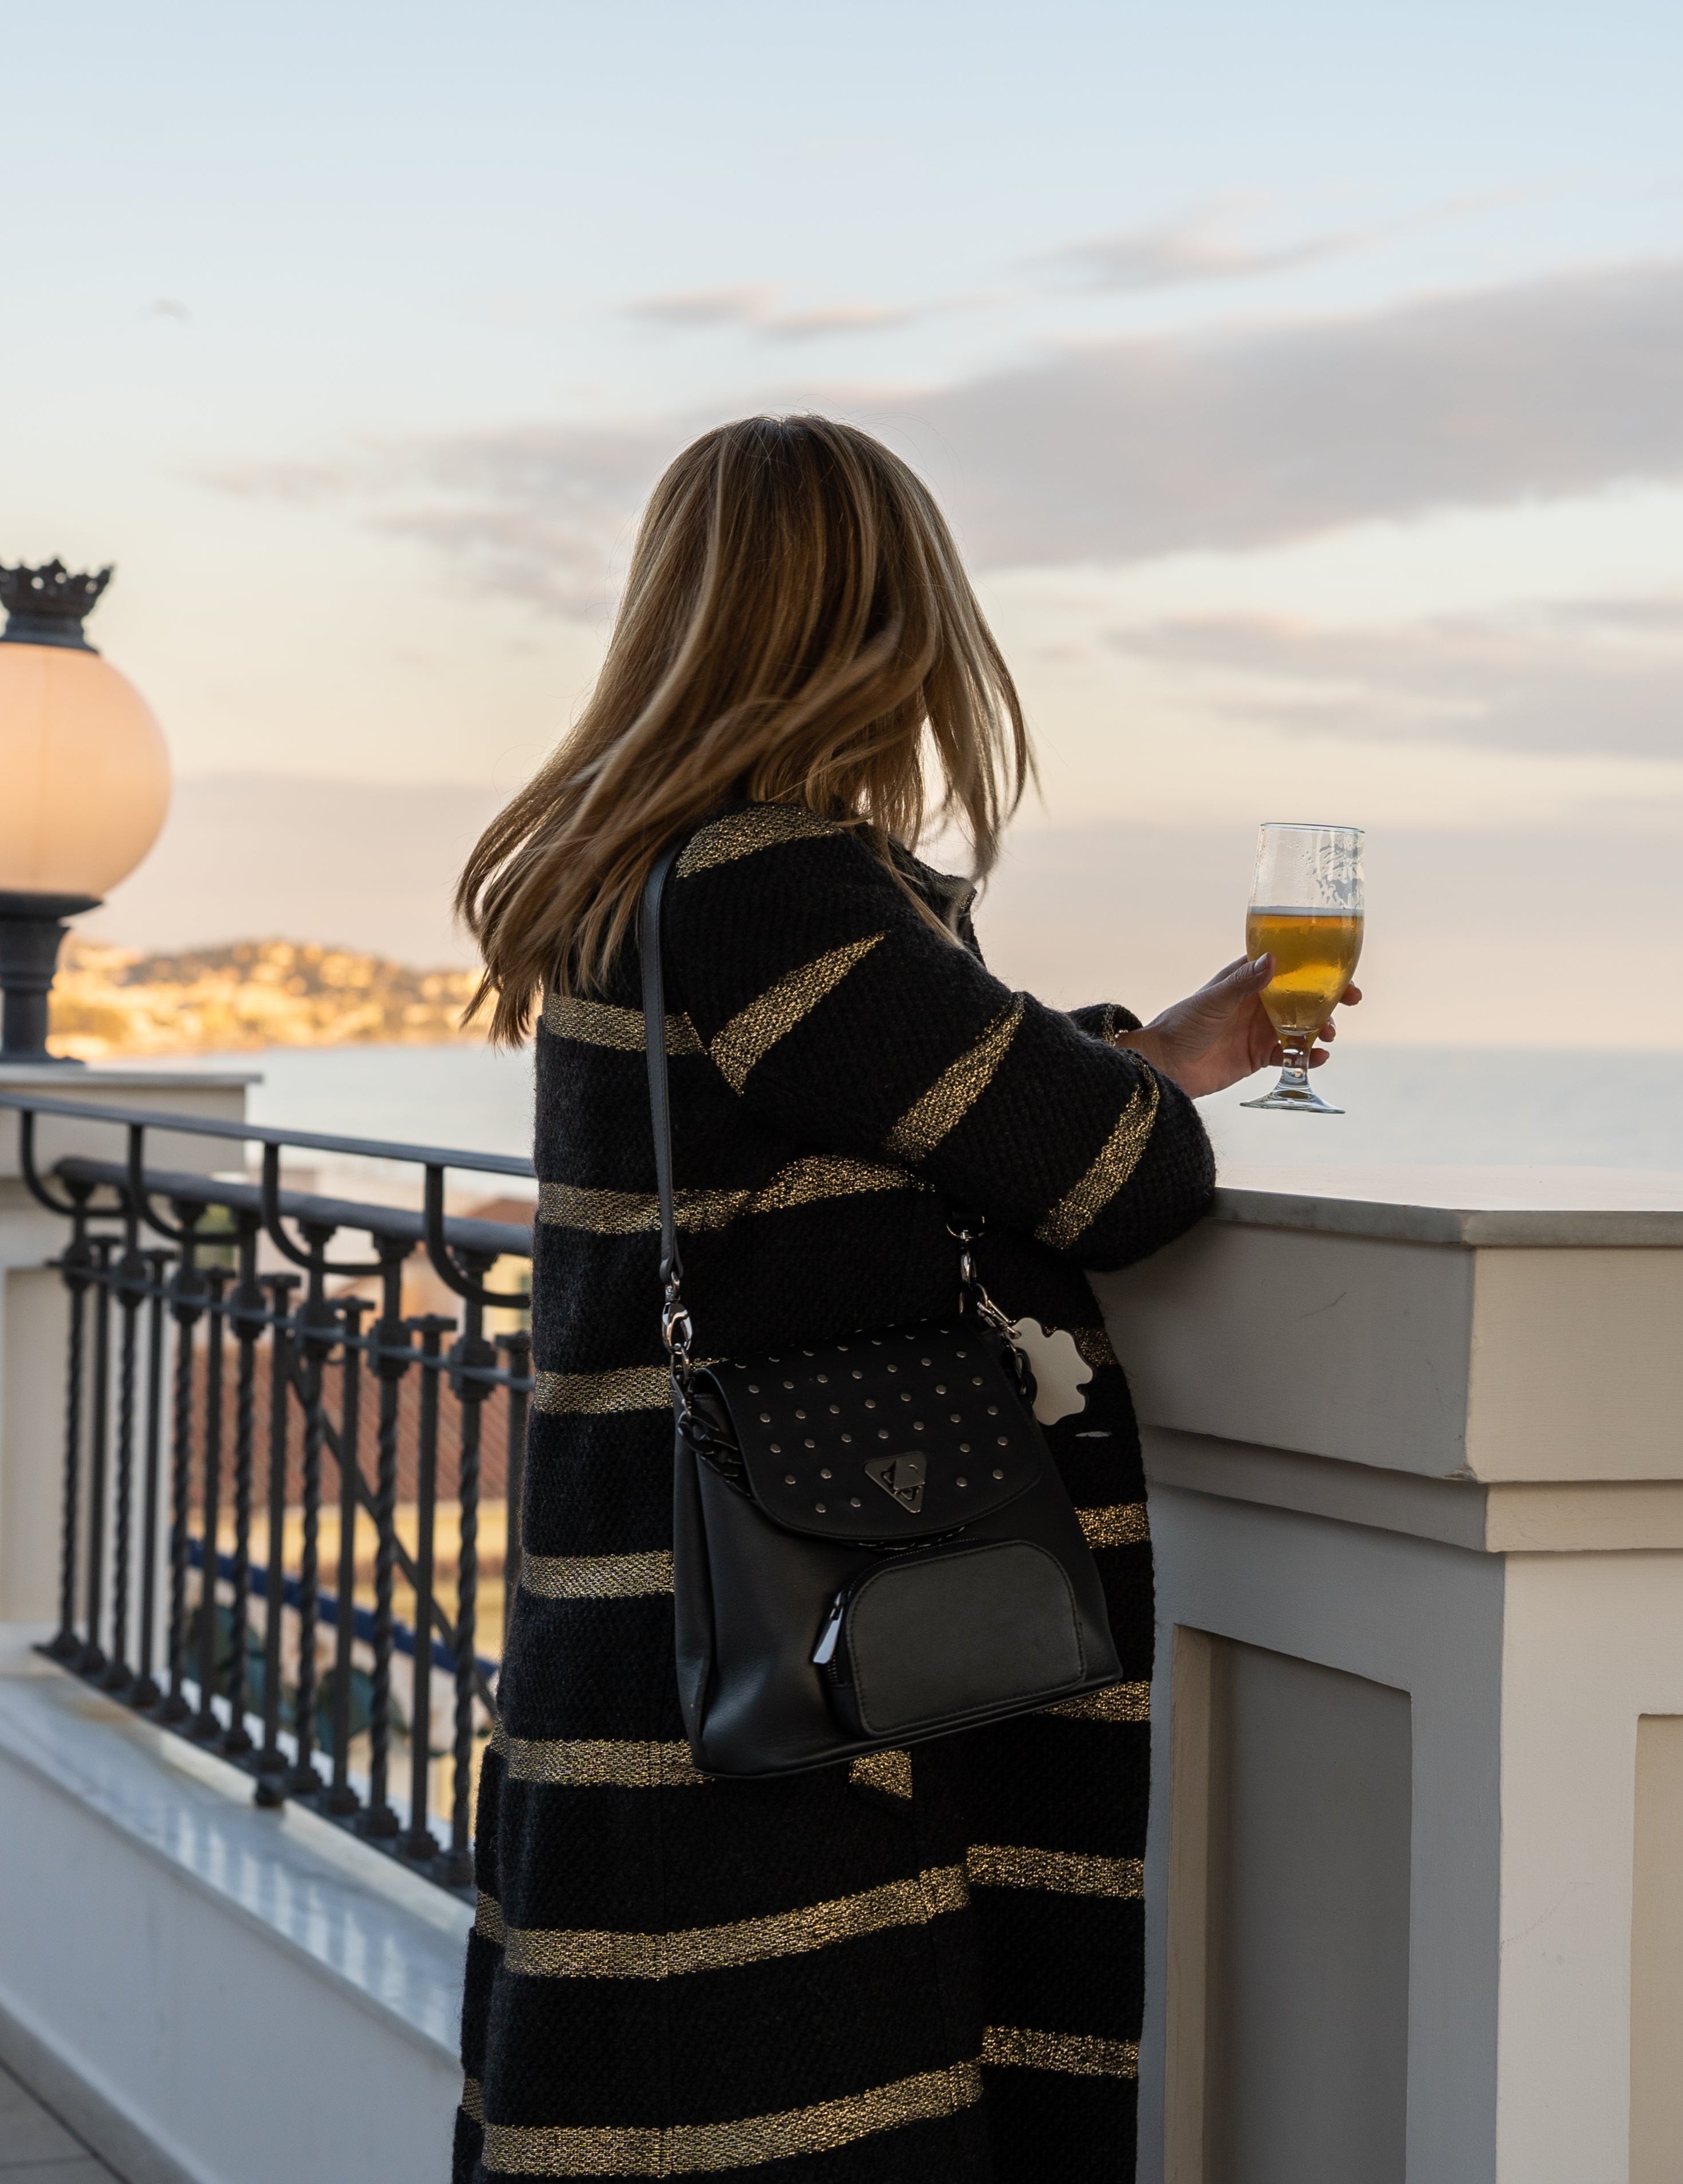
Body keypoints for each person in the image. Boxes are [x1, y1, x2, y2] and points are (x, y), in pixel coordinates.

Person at [453, 414, 1357, 2182]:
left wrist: (1150, 1050)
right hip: (771, 1690)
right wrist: (1148, 1086)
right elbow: (1123, 1179)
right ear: (890, 620)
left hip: (659, 1637)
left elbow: (908, 1103)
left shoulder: (642, 873)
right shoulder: (773, 886)